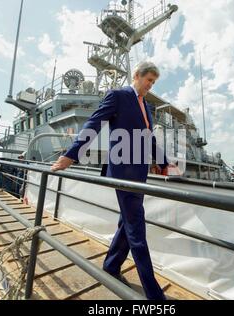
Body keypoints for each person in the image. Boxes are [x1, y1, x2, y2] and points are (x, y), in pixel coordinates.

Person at [51, 61, 179, 300]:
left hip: (139, 172)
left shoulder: (146, 107)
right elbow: (94, 124)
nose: (150, 85)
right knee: (136, 230)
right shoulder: (118, 96)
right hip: (123, 172)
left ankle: (111, 265)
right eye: (148, 80)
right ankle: (155, 296)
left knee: (127, 222)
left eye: (153, 82)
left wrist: (163, 164)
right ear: (136, 76)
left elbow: (149, 139)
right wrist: (71, 156)